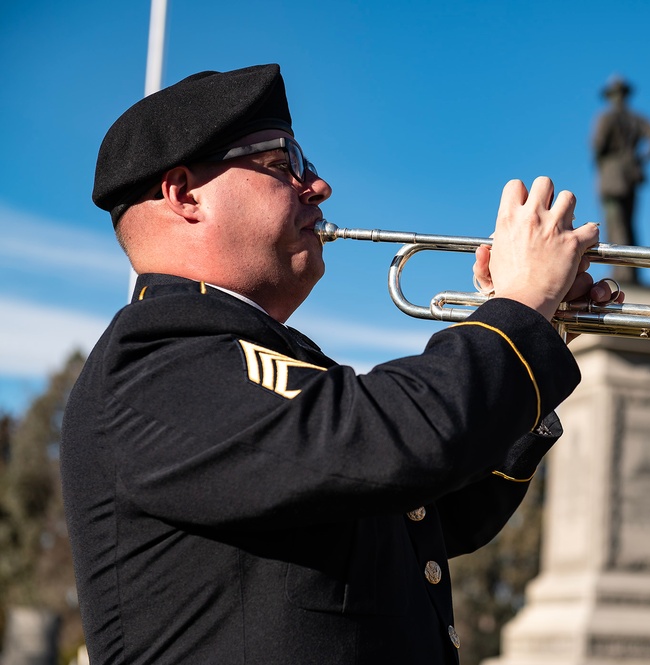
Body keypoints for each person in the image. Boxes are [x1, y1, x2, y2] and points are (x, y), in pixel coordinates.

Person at [61, 64, 618, 665]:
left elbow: (437, 513)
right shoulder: (154, 360)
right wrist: (516, 310)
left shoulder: (261, 359)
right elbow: (392, 439)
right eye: (284, 163)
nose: (318, 185)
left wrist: (538, 333)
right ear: (184, 194)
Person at [591, 75, 650, 285]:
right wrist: (641, 159)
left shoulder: (606, 118)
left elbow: (597, 145)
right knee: (629, 224)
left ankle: (623, 275)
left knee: (617, 225)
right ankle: (631, 273)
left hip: (612, 175)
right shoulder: (636, 119)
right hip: (631, 175)